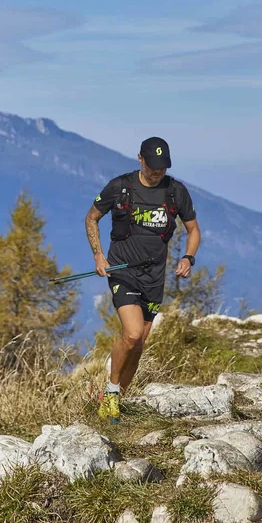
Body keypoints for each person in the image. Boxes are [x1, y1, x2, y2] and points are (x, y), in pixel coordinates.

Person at [85, 136, 200, 423]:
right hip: (122, 271)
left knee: (139, 343)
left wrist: (188, 258)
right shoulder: (120, 187)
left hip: (154, 276)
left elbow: (193, 230)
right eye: (152, 166)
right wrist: (99, 256)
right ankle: (110, 391)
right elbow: (91, 218)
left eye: (162, 167)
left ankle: (115, 405)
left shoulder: (175, 192)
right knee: (132, 333)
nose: (157, 171)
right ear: (140, 159)